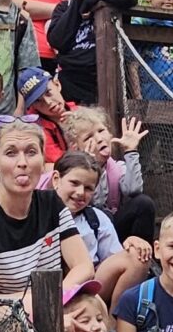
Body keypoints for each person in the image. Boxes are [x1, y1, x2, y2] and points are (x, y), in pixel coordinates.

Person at [0, 120, 91, 298]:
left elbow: (84, 266)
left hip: (56, 300)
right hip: (10, 312)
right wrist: (45, 299)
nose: (22, 162)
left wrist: (55, 299)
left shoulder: (51, 203)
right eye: (10, 153)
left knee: (93, 305)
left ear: (43, 161)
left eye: (31, 152)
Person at [51, 149, 151, 307]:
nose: (80, 193)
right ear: (56, 179)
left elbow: (115, 259)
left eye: (88, 188)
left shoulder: (96, 218)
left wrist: (132, 242)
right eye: (74, 183)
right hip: (52, 289)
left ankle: (115, 317)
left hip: (90, 290)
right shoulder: (39, 214)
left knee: (137, 255)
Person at [46, 0, 137, 110]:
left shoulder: (111, 0)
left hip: (104, 81)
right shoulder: (64, 7)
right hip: (72, 83)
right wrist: (78, 2)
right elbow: (57, 40)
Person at [61, 104, 158, 246]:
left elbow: (133, 190)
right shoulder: (72, 172)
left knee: (144, 203)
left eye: (101, 130)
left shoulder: (117, 167)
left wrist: (131, 151)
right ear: (76, 148)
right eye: (88, 137)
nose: (99, 138)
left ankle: (141, 253)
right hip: (84, 232)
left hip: (113, 228)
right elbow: (94, 203)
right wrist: (90, 167)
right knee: (103, 214)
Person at [13, 66, 70, 162]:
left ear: (57, 84)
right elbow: (62, 164)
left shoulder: (78, 111)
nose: (48, 102)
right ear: (32, 106)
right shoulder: (36, 130)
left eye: (48, 92)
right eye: (38, 101)